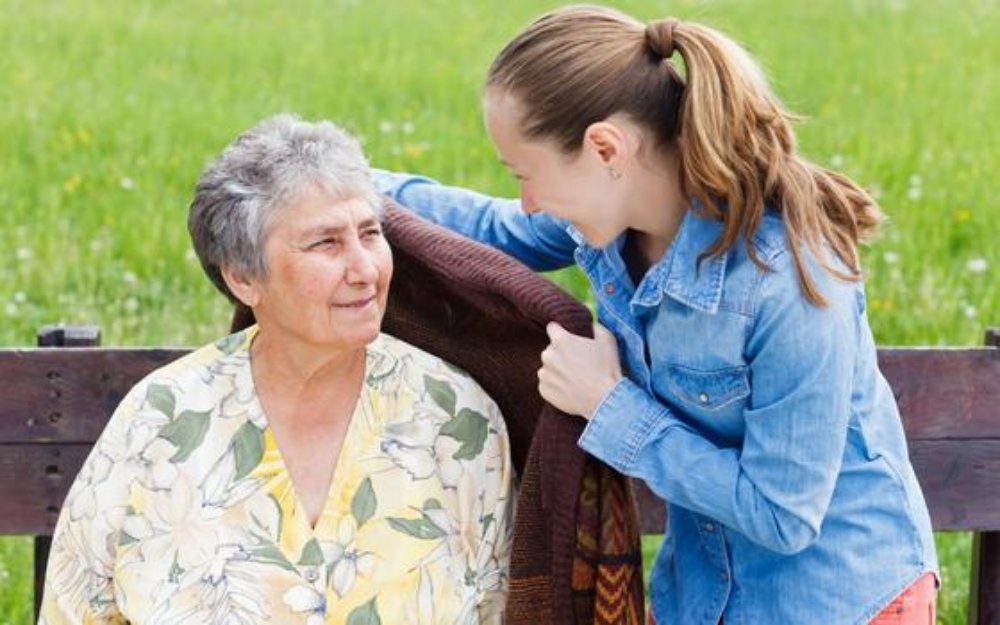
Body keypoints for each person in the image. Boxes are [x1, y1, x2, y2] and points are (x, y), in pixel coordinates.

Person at [374, 5, 938, 624]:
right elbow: (489, 227)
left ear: (605, 147)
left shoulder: (790, 282)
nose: (529, 204)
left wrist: (609, 404)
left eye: (526, 176)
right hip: (703, 600)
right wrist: (346, 183)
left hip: (841, 602)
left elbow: (784, 515)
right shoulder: (612, 223)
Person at [40, 114, 513, 624]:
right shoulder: (163, 419)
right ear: (244, 278)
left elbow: (498, 609)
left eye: (370, 234)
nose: (366, 269)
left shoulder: (455, 420)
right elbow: (77, 609)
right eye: (326, 243)